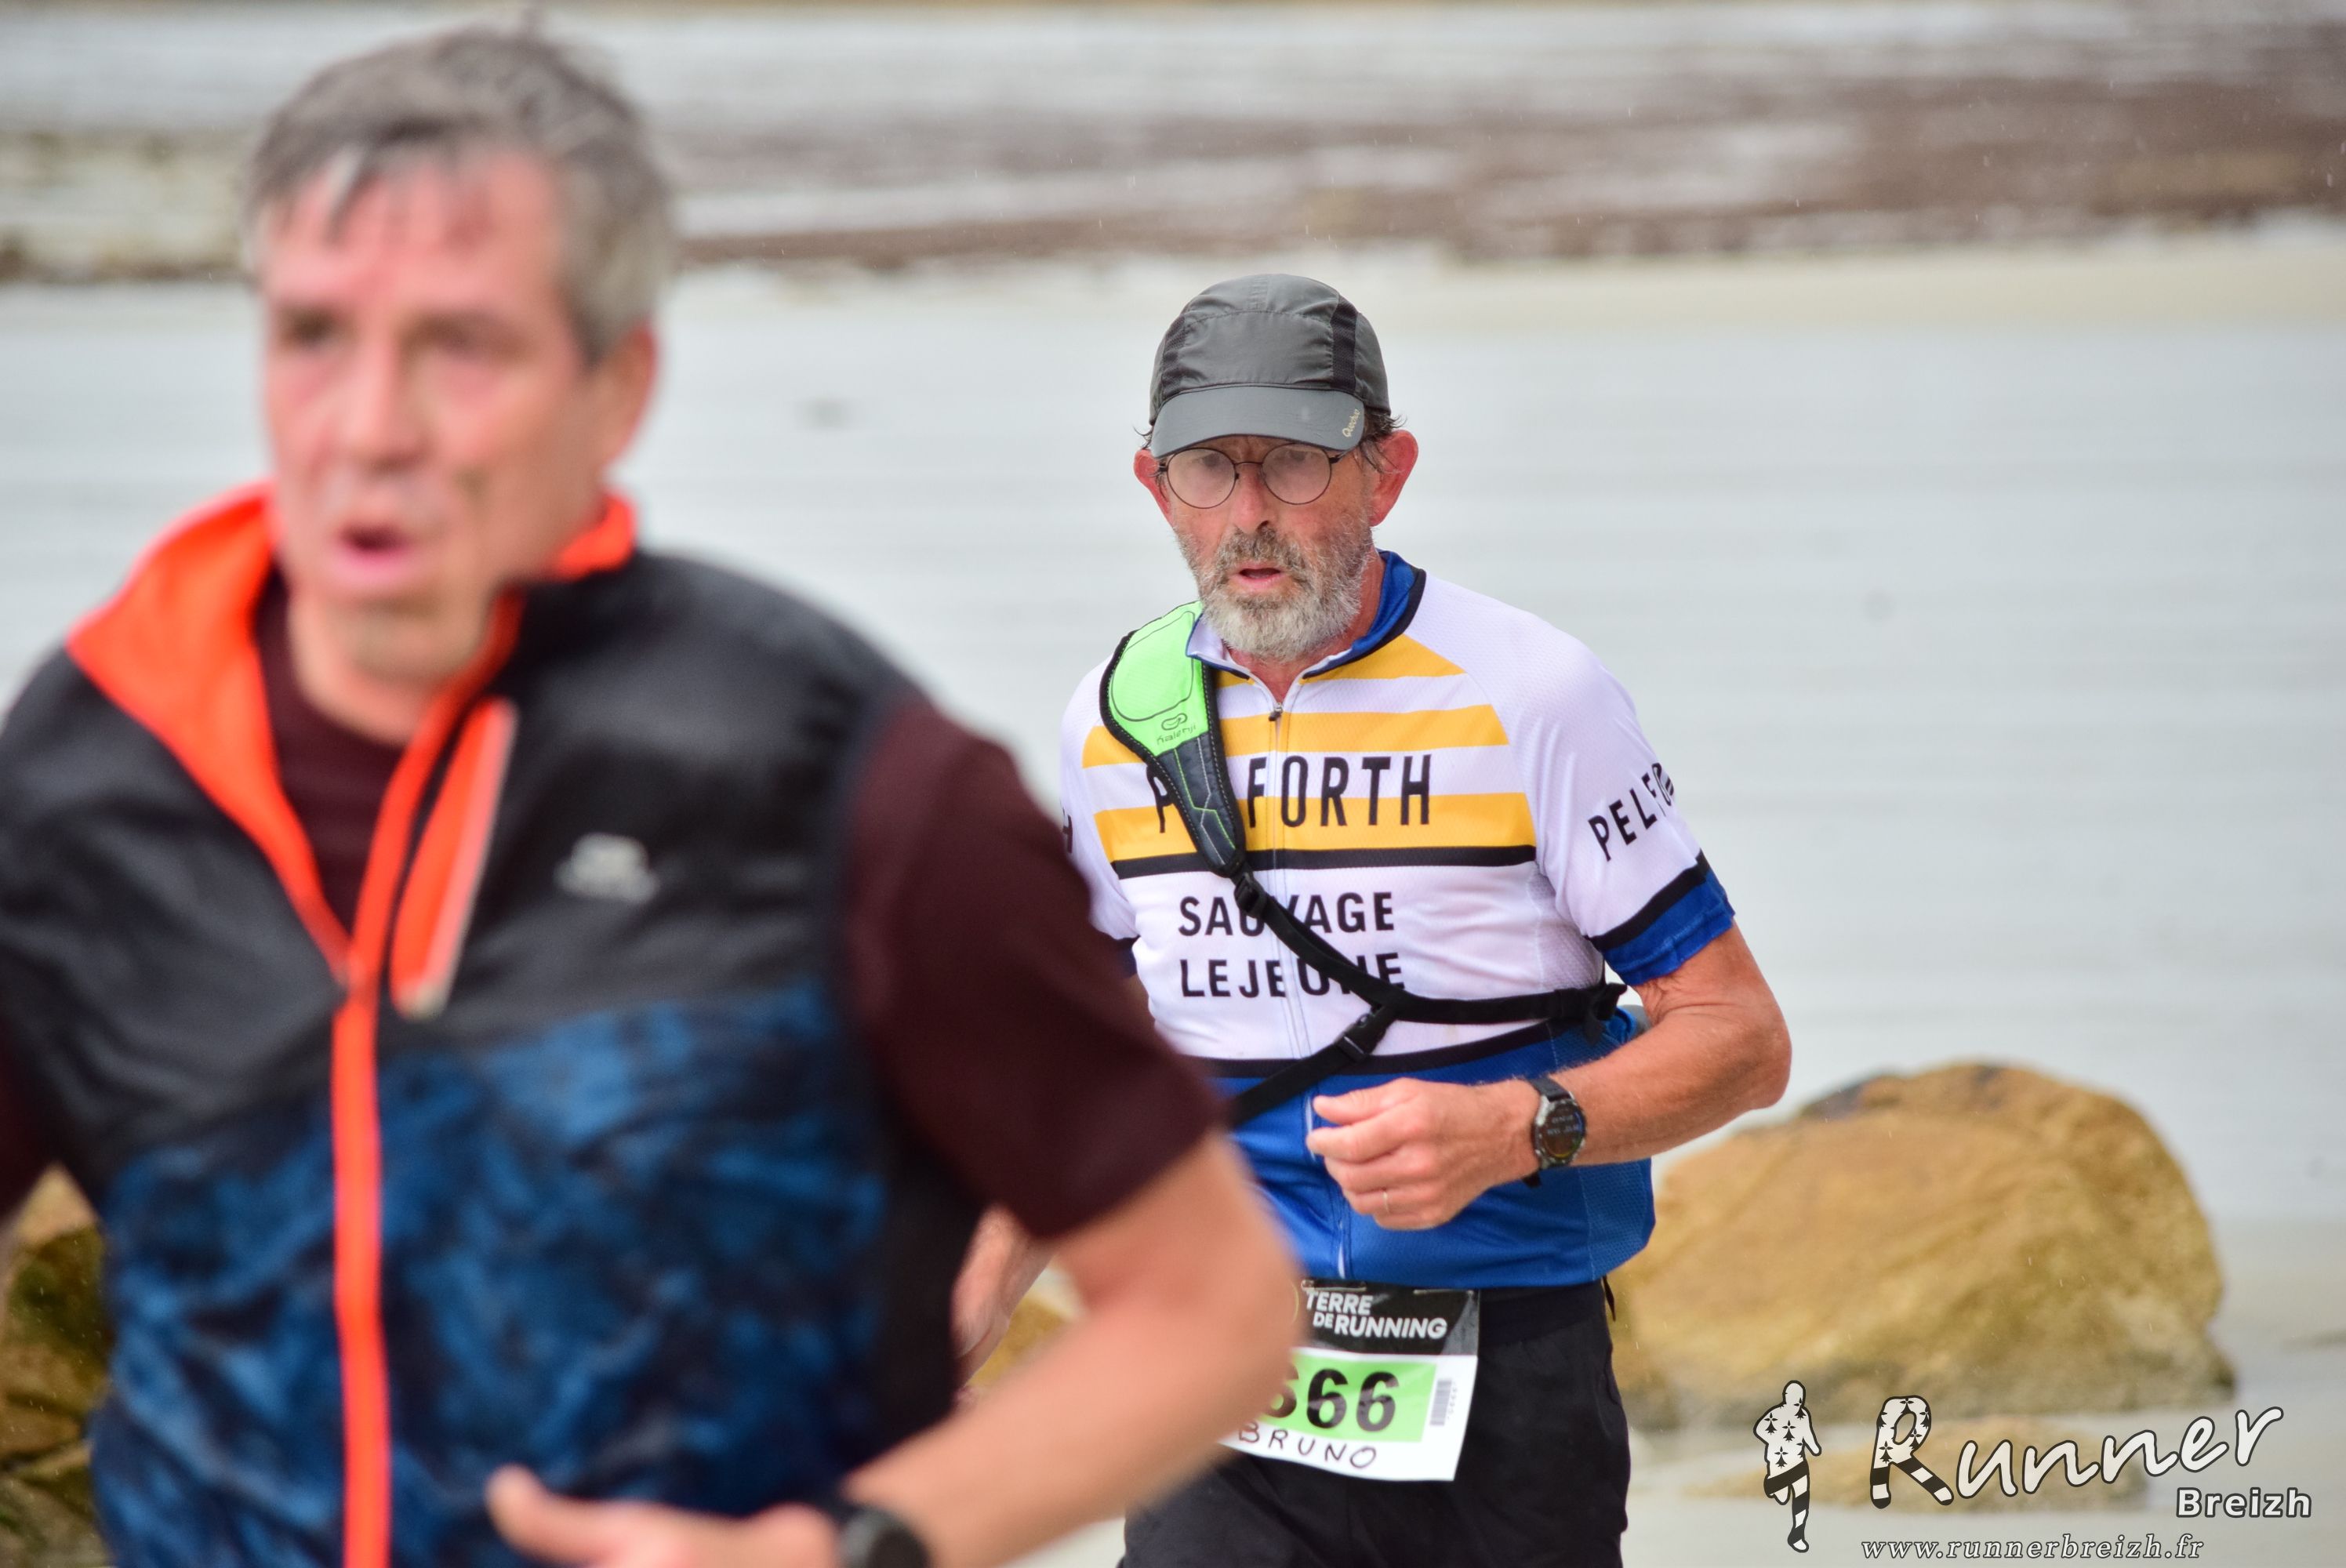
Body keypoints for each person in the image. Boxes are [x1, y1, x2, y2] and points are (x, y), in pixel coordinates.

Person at [0, 31, 1296, 1568]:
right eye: (315, 334)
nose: (369, 425)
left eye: (461, 347)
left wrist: (838, 1546)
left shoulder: (843, 782)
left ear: (616, 388)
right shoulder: (94, 766)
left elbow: (1215, 1309)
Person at [1024, 274, 1794, 1567]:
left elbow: (1740, 1038)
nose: (1250, 515)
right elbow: (1075, 1064)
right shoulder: (1114, 716)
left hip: (1510, 1360)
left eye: (1298, 463)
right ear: (1155, 486)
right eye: (1211, 469)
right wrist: (965, 1292)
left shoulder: (1534, 694)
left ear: (1387, 472)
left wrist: (1517, 1127)